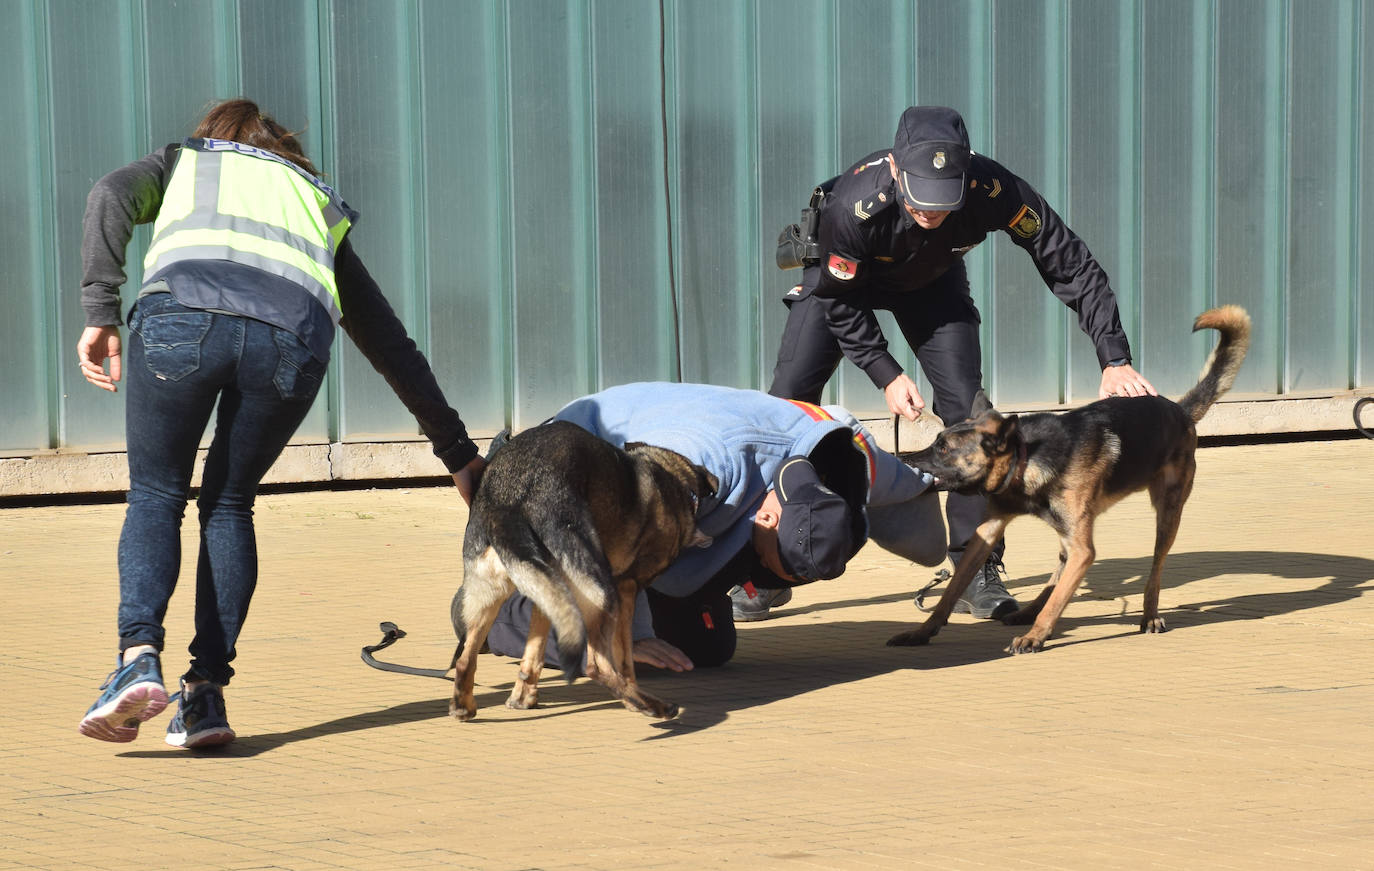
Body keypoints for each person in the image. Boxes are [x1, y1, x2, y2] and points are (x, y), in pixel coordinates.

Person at [75, 98, 486, 749]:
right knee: (229, 503)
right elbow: (389, 342)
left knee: (157, 492)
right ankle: (205, 695)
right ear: (281, 148)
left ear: (215, 138)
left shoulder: (186, 164)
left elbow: (109, 194)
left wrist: (100, 310)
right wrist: (458, 453)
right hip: (290, 342)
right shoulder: (313, 203)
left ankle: (137, 658)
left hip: (182, 316)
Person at [767, 105, 1156, 620]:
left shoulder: (994, 190)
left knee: (972, 417)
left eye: (943, 199)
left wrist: (1113, 356)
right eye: (920, 197)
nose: (930, 211)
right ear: (895, 168)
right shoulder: (852, 206)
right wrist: (885, 372)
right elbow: (840, 304)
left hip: (931, 285)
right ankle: (765, 567)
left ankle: (975, 567)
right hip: (844, 289)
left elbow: (1069, 262)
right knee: (786, 409)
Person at [475, 382, 946, 673]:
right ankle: (510, 617)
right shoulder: (709, 458)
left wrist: (950, 536)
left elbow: (920, 495)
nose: (761, 578)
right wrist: (629, 635)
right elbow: (627, 518)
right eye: (769, 561)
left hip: (689, 515)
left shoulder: (855, 463)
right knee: (621, 649)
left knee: (705, 649)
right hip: (573, 478)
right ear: (767, 516)